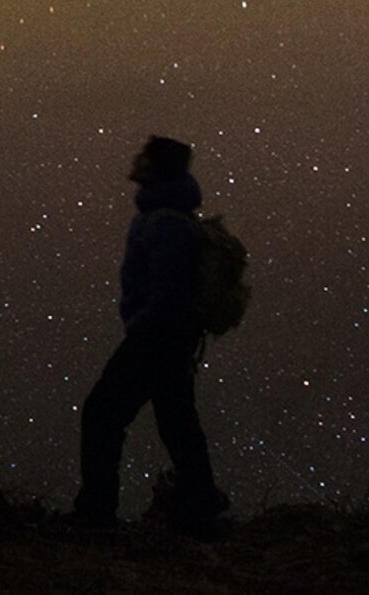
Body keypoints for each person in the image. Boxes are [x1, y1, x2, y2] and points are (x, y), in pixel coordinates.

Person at [74, 134, 229, 533]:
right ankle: (201, 505)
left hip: (156, 338)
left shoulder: (165, 223)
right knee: (177, 423)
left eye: (143, 156)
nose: (135, 160)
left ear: (156, 167)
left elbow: (169, 289)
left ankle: (96, 513)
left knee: (102, 415)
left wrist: (141, 327)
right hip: (170, 339)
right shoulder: (168, 217)